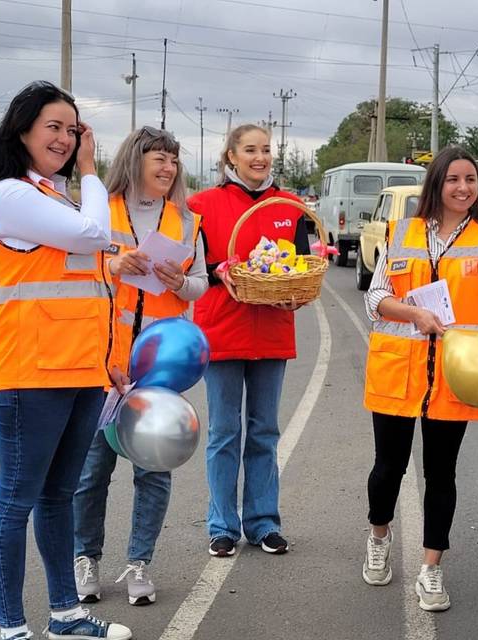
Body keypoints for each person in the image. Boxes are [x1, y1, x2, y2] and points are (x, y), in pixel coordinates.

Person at [0, 81, 131, 640]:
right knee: (17, 499)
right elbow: (95, 233)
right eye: (54, 128)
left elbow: (93, 281)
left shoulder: (55, 197)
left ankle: (65, 614)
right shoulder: (9, 195)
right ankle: (12, 628)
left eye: (73, 129)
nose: (65, 139)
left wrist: (109, 358)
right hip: (28, 371)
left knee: (57, 496)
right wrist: (91, 168)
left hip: (80, 369)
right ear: (22, 132)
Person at [361, 146, 478, 612]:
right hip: (399, 372)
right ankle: (379, 535)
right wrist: (413, 312)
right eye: (453, 179)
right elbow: (375, 297)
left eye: (471, 180)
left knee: (441, 475)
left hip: (456, 378)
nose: (463, 188)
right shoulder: (400, 233)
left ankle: (431, 569)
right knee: (388, 469)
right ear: (436, 184)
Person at [71, 126, 207, 607]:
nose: (168, 167)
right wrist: (111, 265)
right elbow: (68, 266)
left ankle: (139, 563)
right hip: (102, 363)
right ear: (134, 160)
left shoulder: (187, 220)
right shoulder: (97, 213)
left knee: (153, 469)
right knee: (91, 472)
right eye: (159, 158)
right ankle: (84, 558)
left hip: (159, 370)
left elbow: (200, 285)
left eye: (173, 160)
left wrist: (180, 281)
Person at [188, 124, 311, 558]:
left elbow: (300, 264)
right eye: (250, 150)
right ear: (231, 156)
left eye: (266, 150)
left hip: (272, 333)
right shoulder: (201, 205)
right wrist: (223, 269)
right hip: (221, 330)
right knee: (224, 432)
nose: (260, 158)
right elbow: (195, 269)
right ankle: (222, 525)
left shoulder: (291, 206)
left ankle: (263, 522)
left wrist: (294, 294)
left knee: (264, 432)